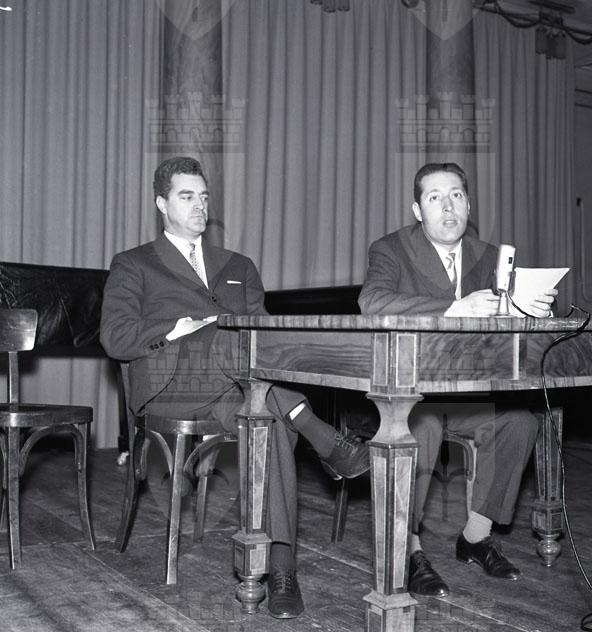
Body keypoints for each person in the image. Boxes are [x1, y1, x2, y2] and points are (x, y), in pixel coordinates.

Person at [100, 156, 369, 619]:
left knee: (266, 418)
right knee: (227, 333)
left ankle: (280, 569)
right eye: (187, 196)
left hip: (237, 390)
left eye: (204, 197)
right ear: (161, 203)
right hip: (171, 387)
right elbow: (114, 337)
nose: (200, 205)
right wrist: (178, 327)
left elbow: (263, 342)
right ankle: (321, 433)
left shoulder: (238, 265)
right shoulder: (134, 264)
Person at [358, 162, 557, 597]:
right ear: (418, 210)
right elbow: (371, 301)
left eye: (457, 196)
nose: (448, 207)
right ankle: (408, 548)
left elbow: (508, 320)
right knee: (422, 425)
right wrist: (452, 308)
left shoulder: (491, 256)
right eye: (435, 198)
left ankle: (475, 538)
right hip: (412, 393)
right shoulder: (391, 249)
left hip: (470, 392)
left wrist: (532, 309)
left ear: (469, 204)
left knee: (520, 422)